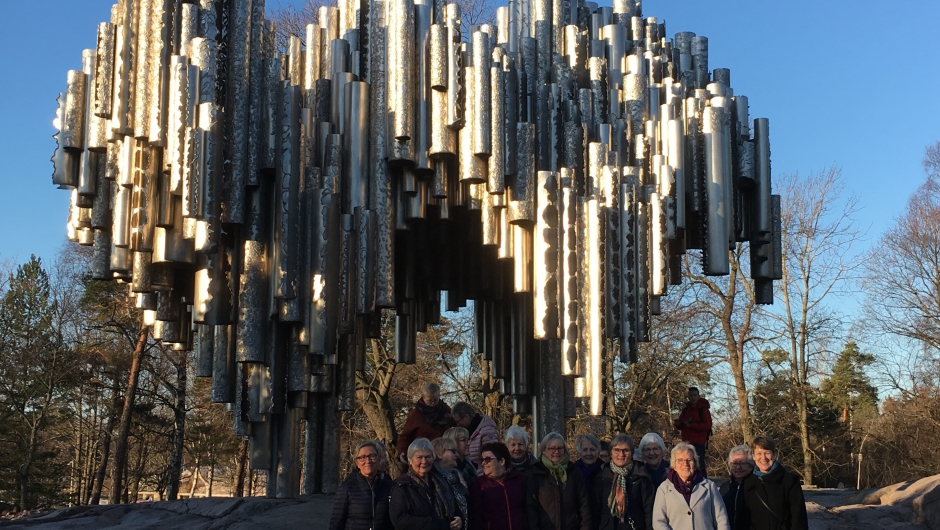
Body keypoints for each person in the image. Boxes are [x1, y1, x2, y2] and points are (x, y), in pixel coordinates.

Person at [652, 442, 729, 530]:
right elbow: (659, 522)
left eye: (689, 460)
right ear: (674, 465)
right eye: (680, 460)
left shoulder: (709, 487)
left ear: (695, 464)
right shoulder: (664, 489)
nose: (685, 464)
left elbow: (722, 520)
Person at [390, 438, 464, 530]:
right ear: (410, 460)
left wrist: (458, 519)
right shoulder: (402, 486)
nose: (424, 461)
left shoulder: (442, 481)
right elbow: (399, 520)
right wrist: (436, 525)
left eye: (428, 457)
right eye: (419, 457)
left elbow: (456, 508)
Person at [525, 431, 592, 530]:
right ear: (543, 450)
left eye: (560, 448)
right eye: (552, 448)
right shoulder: (535, 473)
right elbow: (530, 508)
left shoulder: (573, 471)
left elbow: (584, 505)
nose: (556, 452)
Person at [742, 436, 808, 530]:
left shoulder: (789, 481)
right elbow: (745, 518)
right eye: (759, 453)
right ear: (753, 456)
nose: (763, 457)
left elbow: (799, 517)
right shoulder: (748, 482)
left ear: (774, 454)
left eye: (767, 453)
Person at [593, 433, 654, 530]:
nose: (621, 454)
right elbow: (595, 511)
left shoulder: (641, 477)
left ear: (632, 453)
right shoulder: (602, 477)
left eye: (626, 450)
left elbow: (649, 510)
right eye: (616, 450)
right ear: (611, 453)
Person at [329, 440, 393, 530]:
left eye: (372, 456)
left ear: (379, 459)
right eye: (362, 457)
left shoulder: (388, 485)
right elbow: (337, 522)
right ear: (357, 463)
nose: (368, 461)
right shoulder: (347, 487)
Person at [468, 442, 527, 530]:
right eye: (482, 460)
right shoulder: (480, 484)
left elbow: (528, 511)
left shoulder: (520, 480)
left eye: (488, 459)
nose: (484, 463)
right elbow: (476, 518)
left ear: (502, 461)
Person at [397, 383, 455, 461]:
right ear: (423, 398)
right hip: (424, 455)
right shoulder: (415, 415)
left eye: (435, 400)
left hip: (444, 455)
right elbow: (405, 436)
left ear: (439, 397)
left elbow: (455, 428)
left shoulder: (447, 411)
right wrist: (402, 452)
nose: (433, 403)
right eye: (429, 401)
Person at [673, 387, 712, 476]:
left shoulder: (703, 410)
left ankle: (703, 483)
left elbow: (707, 425)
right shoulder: (686, 410)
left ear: (698, 396)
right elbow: (681, 425)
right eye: (691, 395)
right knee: (687, 465)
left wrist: (692, 425)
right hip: (686, 443)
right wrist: (678, 423)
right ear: (688, 397)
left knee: (699, 465)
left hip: (699, 443)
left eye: (695, 395)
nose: (693, 397)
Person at [432, 437, 469, 526]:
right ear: (439, 454)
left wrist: (461, 520)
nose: (457, 454)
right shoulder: (433, 480)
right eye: (453, 451)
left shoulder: (456, 477)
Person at [451, 402, 500, 467]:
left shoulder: (487, 431)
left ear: (466, 416)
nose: (458, 425)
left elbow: (492, 457)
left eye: (458, 421)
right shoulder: (469, 431)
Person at [719, 445, 753, 530]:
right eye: (735, 463)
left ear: (751, 465)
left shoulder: (757, 487)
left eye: (742, 463)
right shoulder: (725, 488)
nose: (738, 467)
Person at [574, 434, 603, 499]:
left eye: (592, 449)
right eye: (585, 450)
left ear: (598, 452)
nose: (589, 453)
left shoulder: (606, 471)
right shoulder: (572, 472)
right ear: (579, 453)